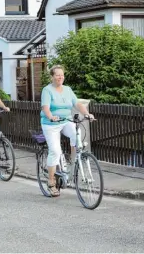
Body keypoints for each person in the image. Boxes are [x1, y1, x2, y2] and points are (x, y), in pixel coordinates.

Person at [40, 65, 94, 197]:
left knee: (77, 135)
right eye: (57, 75)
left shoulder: (68, 89)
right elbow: (45, 107)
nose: (60, 77)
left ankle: (74, 159)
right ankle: (51, 181)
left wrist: (87, 114)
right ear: (52, 76)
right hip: (50, 124)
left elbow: (77, 104)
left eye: (62, 75)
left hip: (65, 121)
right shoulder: (47, 90)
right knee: (55, 151)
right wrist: (50, 116)